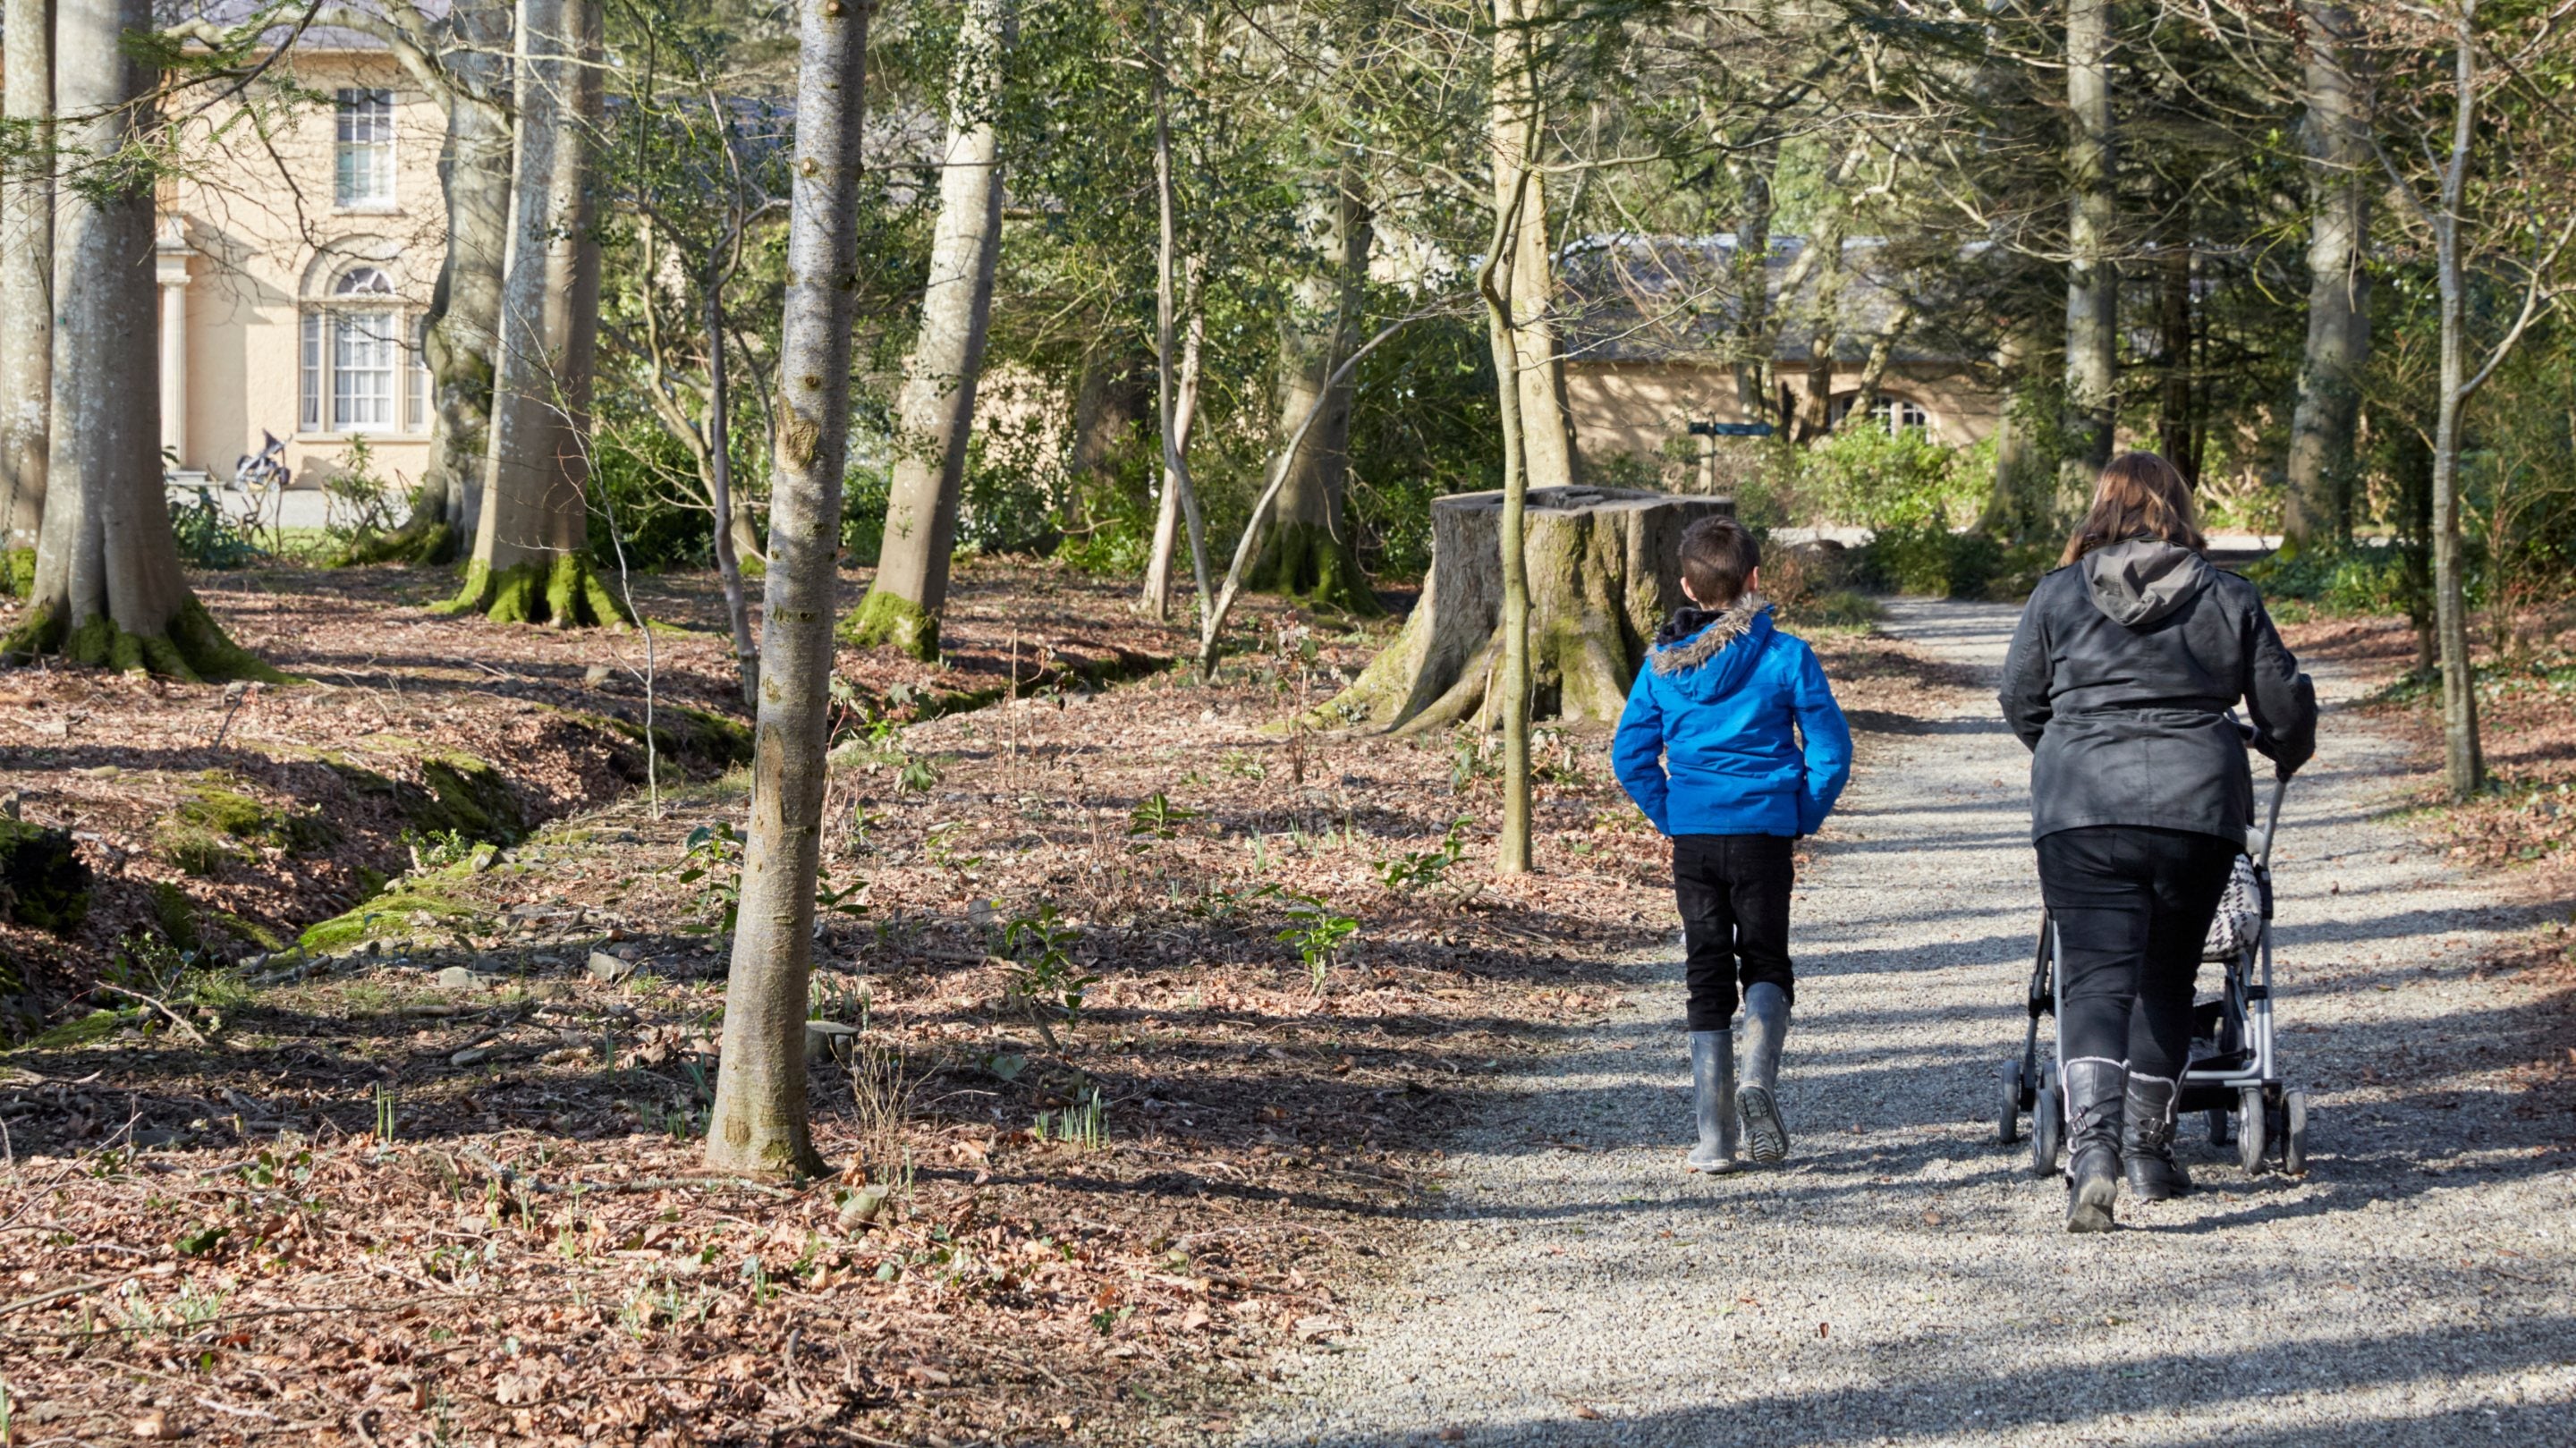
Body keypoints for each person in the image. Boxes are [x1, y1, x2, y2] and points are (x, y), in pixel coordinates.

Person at [1999, 452, 2318, 1232]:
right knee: (2168, 976)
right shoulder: (2229, 596)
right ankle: (2148, 1153)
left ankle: (2094, 1152)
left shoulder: (2056, 595)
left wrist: (2071, 745)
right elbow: (2284, 707)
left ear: (2098, 507)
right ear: (2179, 508)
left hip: (2082, 807)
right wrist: (2281, 743)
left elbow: (2019, 699)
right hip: (2194, 809)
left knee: (2094, 982)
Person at [1614, 516, 1852, 1174]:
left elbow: (1630, 754)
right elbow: (1831, 751)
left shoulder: (1661, 665)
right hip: (1763, 835)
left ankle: (1715, 1141)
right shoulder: (1786, 655)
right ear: (1753, 579)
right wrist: (1797, 811)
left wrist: (1673, 814)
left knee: (1705, 970)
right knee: (1767, 959)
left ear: (1688, 588)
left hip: (1695, 838)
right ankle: (1756, 1079)